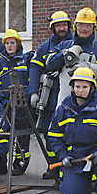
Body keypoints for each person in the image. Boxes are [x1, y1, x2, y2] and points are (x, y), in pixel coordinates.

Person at [47, 67, 97, 194]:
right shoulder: (63, 109)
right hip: (76, 158)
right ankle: (85, 184)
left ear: (92, 88)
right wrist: (63, 157)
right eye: (77, 86)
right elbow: (54, 137)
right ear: (72, 87)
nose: (80, 90)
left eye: (84, 87)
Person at [27, 11, 74, 177]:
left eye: (64, 25)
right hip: (50, 98)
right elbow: (34, 67)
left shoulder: (76, 42)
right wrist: (33, 92)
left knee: (69, 133)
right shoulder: (45, 47)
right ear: (52, 28)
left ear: (69, 26)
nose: (61, 28)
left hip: (70, 98)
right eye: (58, 25)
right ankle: (53, 166)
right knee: (50, 134)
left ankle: (68, 167)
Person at [45, 7, 97, 107]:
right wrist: (65, 55)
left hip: (93, 105)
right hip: (66, 104)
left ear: (94, 28)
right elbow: (49, 64)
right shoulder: (64, 45)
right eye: (80, 25)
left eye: (88, 26)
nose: (84, 29)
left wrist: (90, 68)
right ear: (75, 26)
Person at [0, 29, 31, 175]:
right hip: (5, 105)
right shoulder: (0, 63)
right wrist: (2, 100)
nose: (10, 46)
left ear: (18, 44)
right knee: (4, 134)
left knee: (22, 135)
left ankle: (21, 162)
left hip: (22, 105)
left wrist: (26, 98)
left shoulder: (25, 60)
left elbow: (29, 81)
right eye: (7, 43)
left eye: (12, 43)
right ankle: (2, 163)